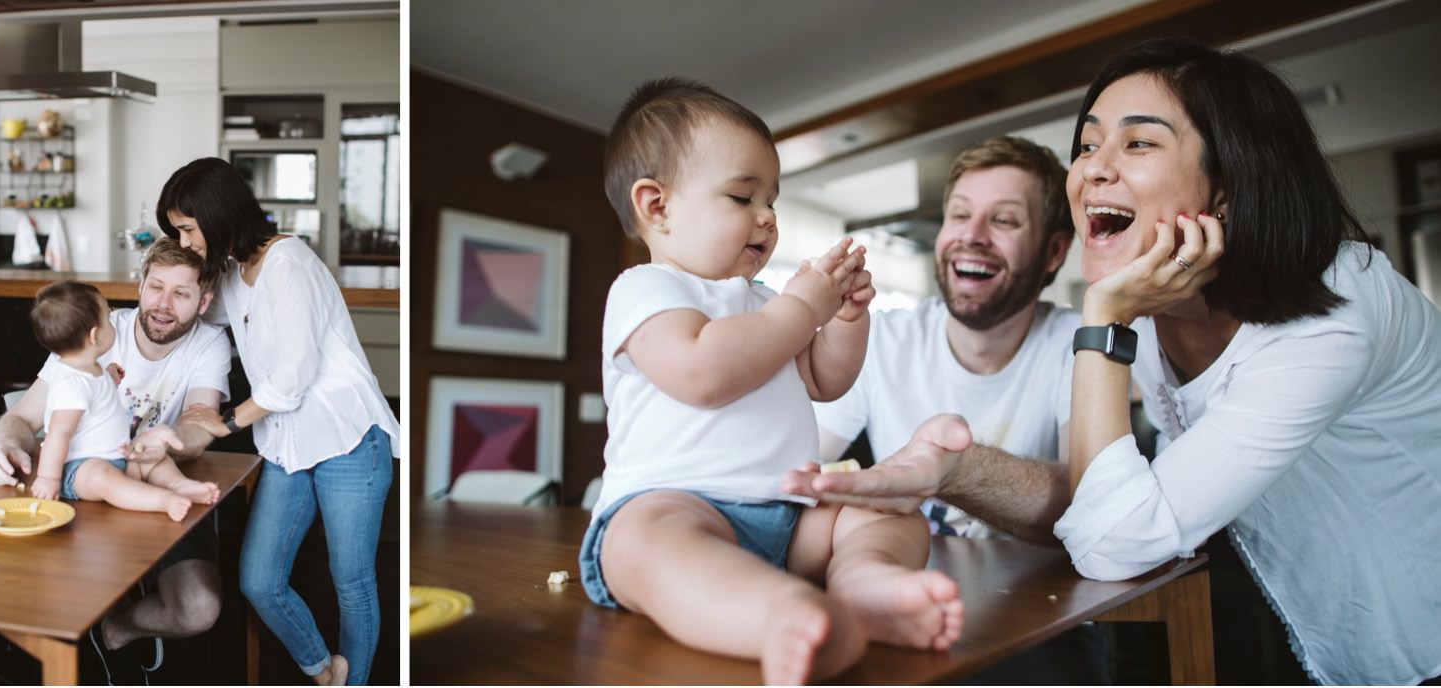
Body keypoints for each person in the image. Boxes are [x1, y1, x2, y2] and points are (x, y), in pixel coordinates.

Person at [1052, 38, 1441, 685]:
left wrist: (1105, 319)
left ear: (1227, 190)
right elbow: (1118, 508)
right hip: (1343, 651)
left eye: (1138, 143)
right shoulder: (1150, 309)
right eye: (1088, 145)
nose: (1093, 169)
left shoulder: (1335, 314)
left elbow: (1110, 542)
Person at [581, 77, 964, 686]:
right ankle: (779, 616)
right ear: (657, 207)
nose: (766, 217)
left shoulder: (763, 299)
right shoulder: (647, 290)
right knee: (644, 545)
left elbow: (824, 378)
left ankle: (865, 584)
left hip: (789, 518)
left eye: (773, 201)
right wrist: (803, 309)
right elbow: (704, 372)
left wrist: (844, 318)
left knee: (885, 512)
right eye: (742, 197)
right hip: (678, 504)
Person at [158, 157, 400, 687]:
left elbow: (293, 376)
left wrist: (222, 420)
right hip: (288, 446)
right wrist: (160, 290)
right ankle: (323, 670)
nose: (186, 239)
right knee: (259, 579)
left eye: (188, 228)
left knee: (352, 582)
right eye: (178, 230)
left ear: (217, 214)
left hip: (348, 438)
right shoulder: (233, 274)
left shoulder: (287, 261)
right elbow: (202, 313)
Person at [805, 135, 1078, 543]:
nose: (971, 236)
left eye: (1003, 220)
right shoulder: (881, 339)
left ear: (1054, 251)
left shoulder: (1079, 342)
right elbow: (798, 463)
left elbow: (1087, 498)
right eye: (959, 215)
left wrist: (951, 471)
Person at [0, 238, 232, 684]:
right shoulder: (95, 330)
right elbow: (23, 417)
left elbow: (201, 421)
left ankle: (117, 630)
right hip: (84, 496)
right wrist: (5, 447)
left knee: (198, 607)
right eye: (156, 287)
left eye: (181, 293)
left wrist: (168, 437)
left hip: (150, 489)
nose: (163, 304)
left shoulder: (210, 345)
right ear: (139, 285)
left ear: (205, 301)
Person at [25, 280, 220, 519]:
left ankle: (180, 485)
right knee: (105, 479)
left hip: (117, 455)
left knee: (155, 458)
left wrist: (108, 380)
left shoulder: (91, 369)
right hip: (81, 468)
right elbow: (58, 433)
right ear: (95, 335)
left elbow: (95, 397)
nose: (114, 320)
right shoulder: (71, 384)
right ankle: (163, 500)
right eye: (108, 318)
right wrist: (48, 478)